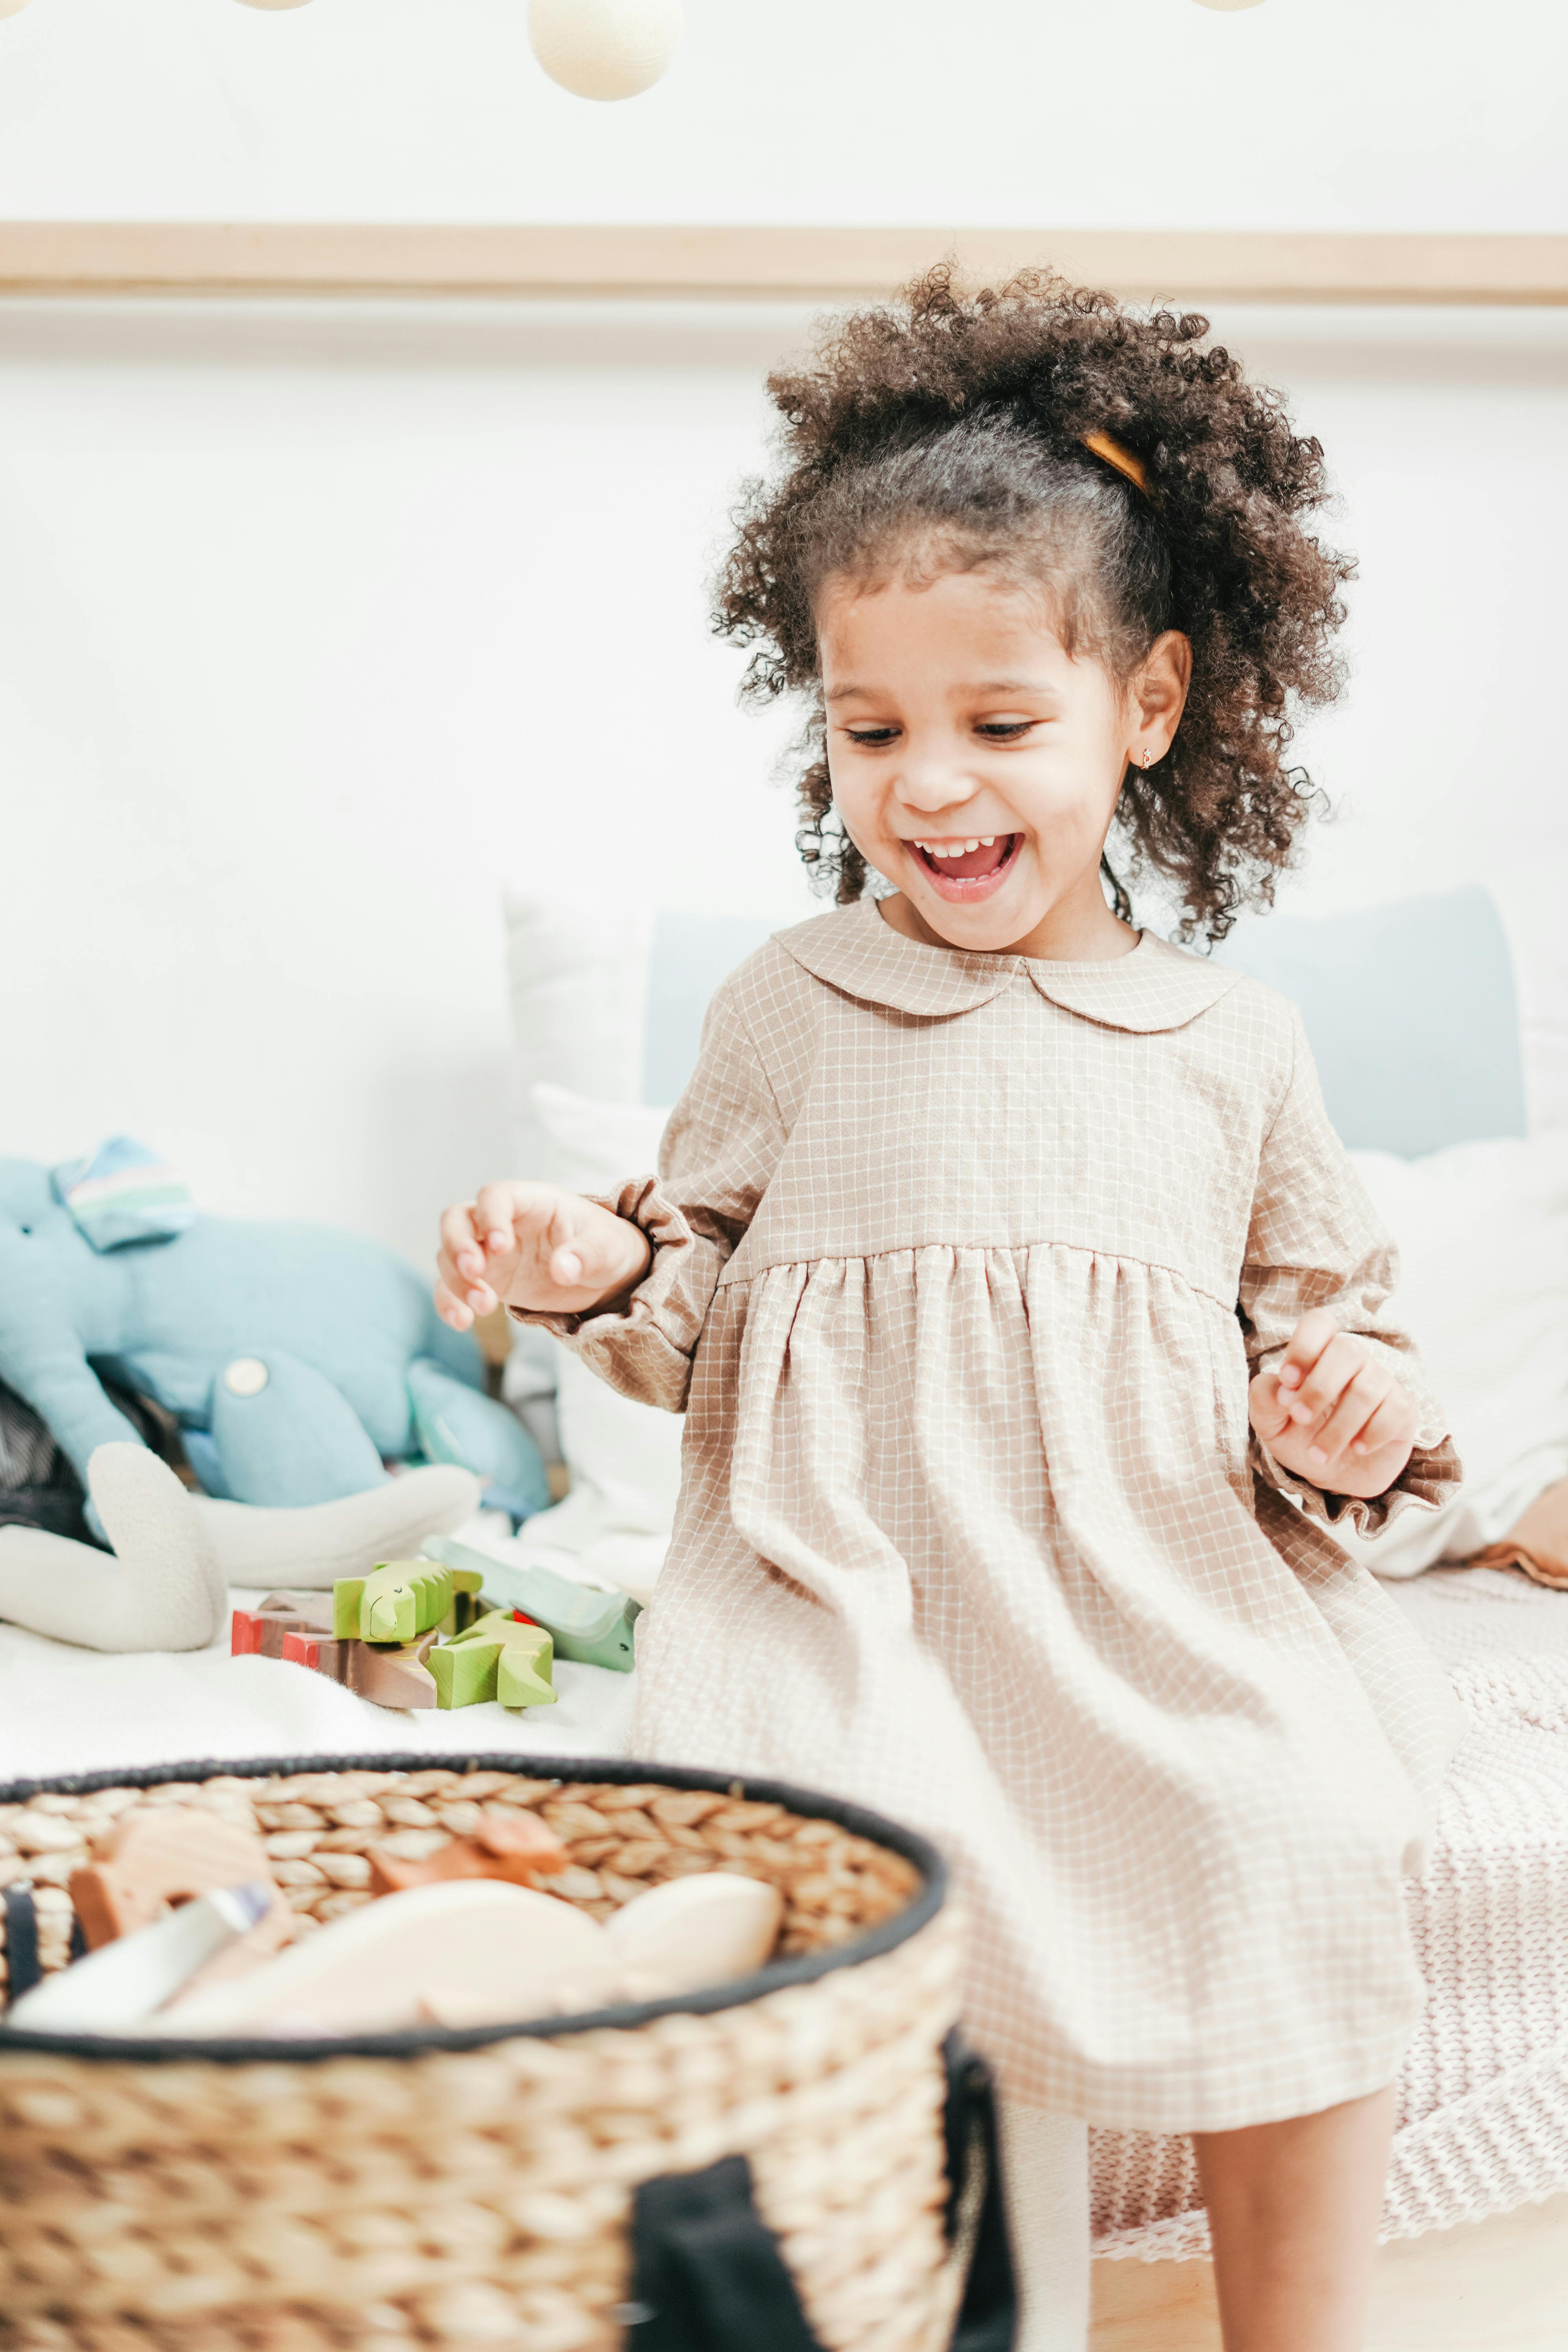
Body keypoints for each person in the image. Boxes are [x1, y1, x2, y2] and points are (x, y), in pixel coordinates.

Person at [436, 269, 1465, 2352]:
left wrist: (1346, 1418)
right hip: (849, 1591)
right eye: (871, 729)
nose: (928, 785)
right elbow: (693, 1281)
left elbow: (1327, 1347)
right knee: (849, 1852)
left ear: (1145, 708)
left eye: (999, 726)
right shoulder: (791, 1003)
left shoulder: (1222, 1041)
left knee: (1306, 1827)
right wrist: (600, 1263)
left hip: (1156, 1595)